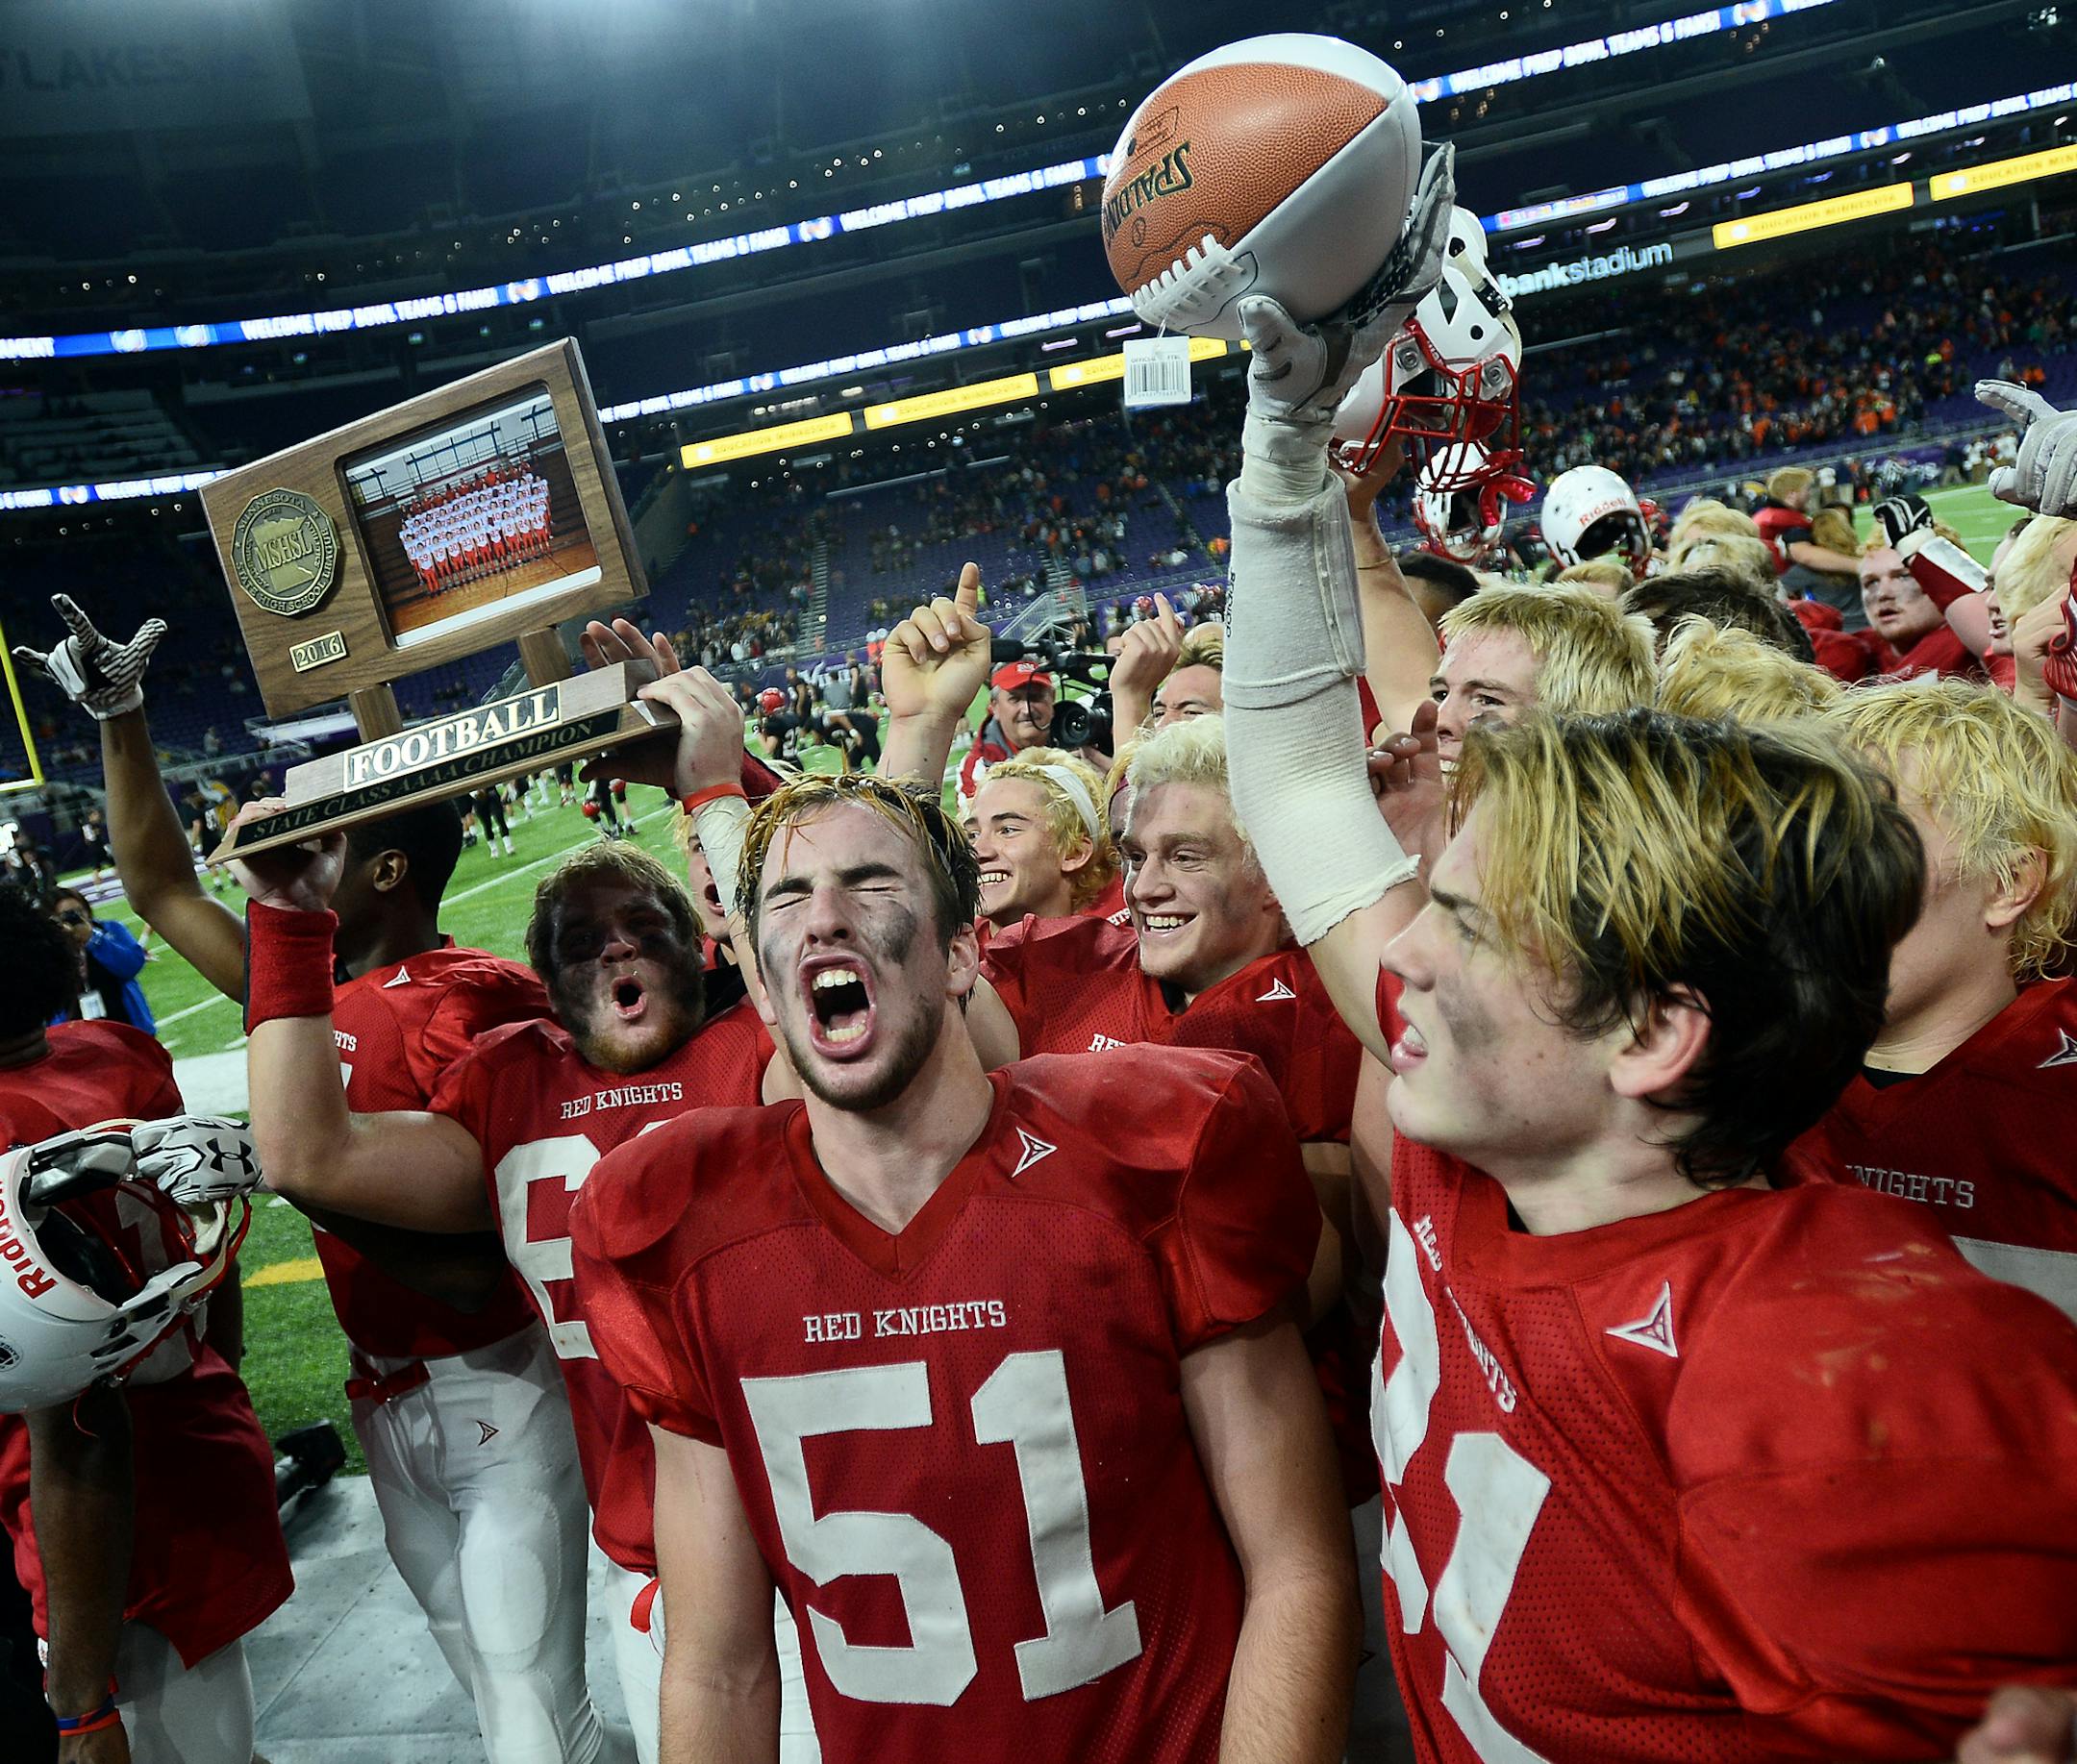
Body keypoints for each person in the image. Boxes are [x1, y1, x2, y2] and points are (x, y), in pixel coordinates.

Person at [1216, 278, 2077, 1758]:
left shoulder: (1830, 1369)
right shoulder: (1493, 1104)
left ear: (1655, 1034)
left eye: (1469, 925)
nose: (1399, 957)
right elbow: (1293, 778)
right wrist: (1284, 453)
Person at [567, 764, 1359, 1763]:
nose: (825, 919)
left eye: (870, 882)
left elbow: (1296, 1563)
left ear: (958, 951)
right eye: (788, 897)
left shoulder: (1147, 1157)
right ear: (761, 982)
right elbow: (720, 1662)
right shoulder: (683, 1228)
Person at [14, 597, 623, 1764]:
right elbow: (158, 885)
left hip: (492, 1381)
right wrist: (123, 718)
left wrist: (293, 1170)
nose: (288, 846)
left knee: (530, 1714)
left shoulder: (480, 998)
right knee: (493, 1677)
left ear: (382, 863)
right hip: (382, 1394)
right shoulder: (304, 990)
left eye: (326, 834)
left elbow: (471, 1258)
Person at [231, 628, 813, 1764]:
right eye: (580, 940)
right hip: (656, 1553)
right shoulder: (513, 1083)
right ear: (542, 987)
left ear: (707, 952)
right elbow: (305, 1151)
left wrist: (719, 776)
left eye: (647, 929)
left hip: (824, 1524)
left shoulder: (769, 1048)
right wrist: (291, 922)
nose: (616, 950)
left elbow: (831, 951)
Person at [0, 883, 290, 1764]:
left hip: (106, 1530)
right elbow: (210, 1250)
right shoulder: (109, 1050)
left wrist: (83, 1709)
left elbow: (75, 1424)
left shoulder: (11, 1132)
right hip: (192, 1432)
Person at [1786, 677, 2077, 1317]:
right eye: (1810, 839)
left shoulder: (2057, 1104)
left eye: (1871, 841)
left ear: (2009, 881)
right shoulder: (1743, 1063)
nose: (1818, 877)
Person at [960, 746, 1115, 930]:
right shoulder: (947, 952)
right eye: (973, 835)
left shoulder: (1119, 955)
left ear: (1074, 852)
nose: (978, 851)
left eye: (1007, 830)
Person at [49, 887, 154, 1033]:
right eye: (66, 915)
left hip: (126, 1024)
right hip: (75, 1031)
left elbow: (131, 966)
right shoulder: (49, 946)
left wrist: (93, 939)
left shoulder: (111, 930)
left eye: (80, 911)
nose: (76, 918)